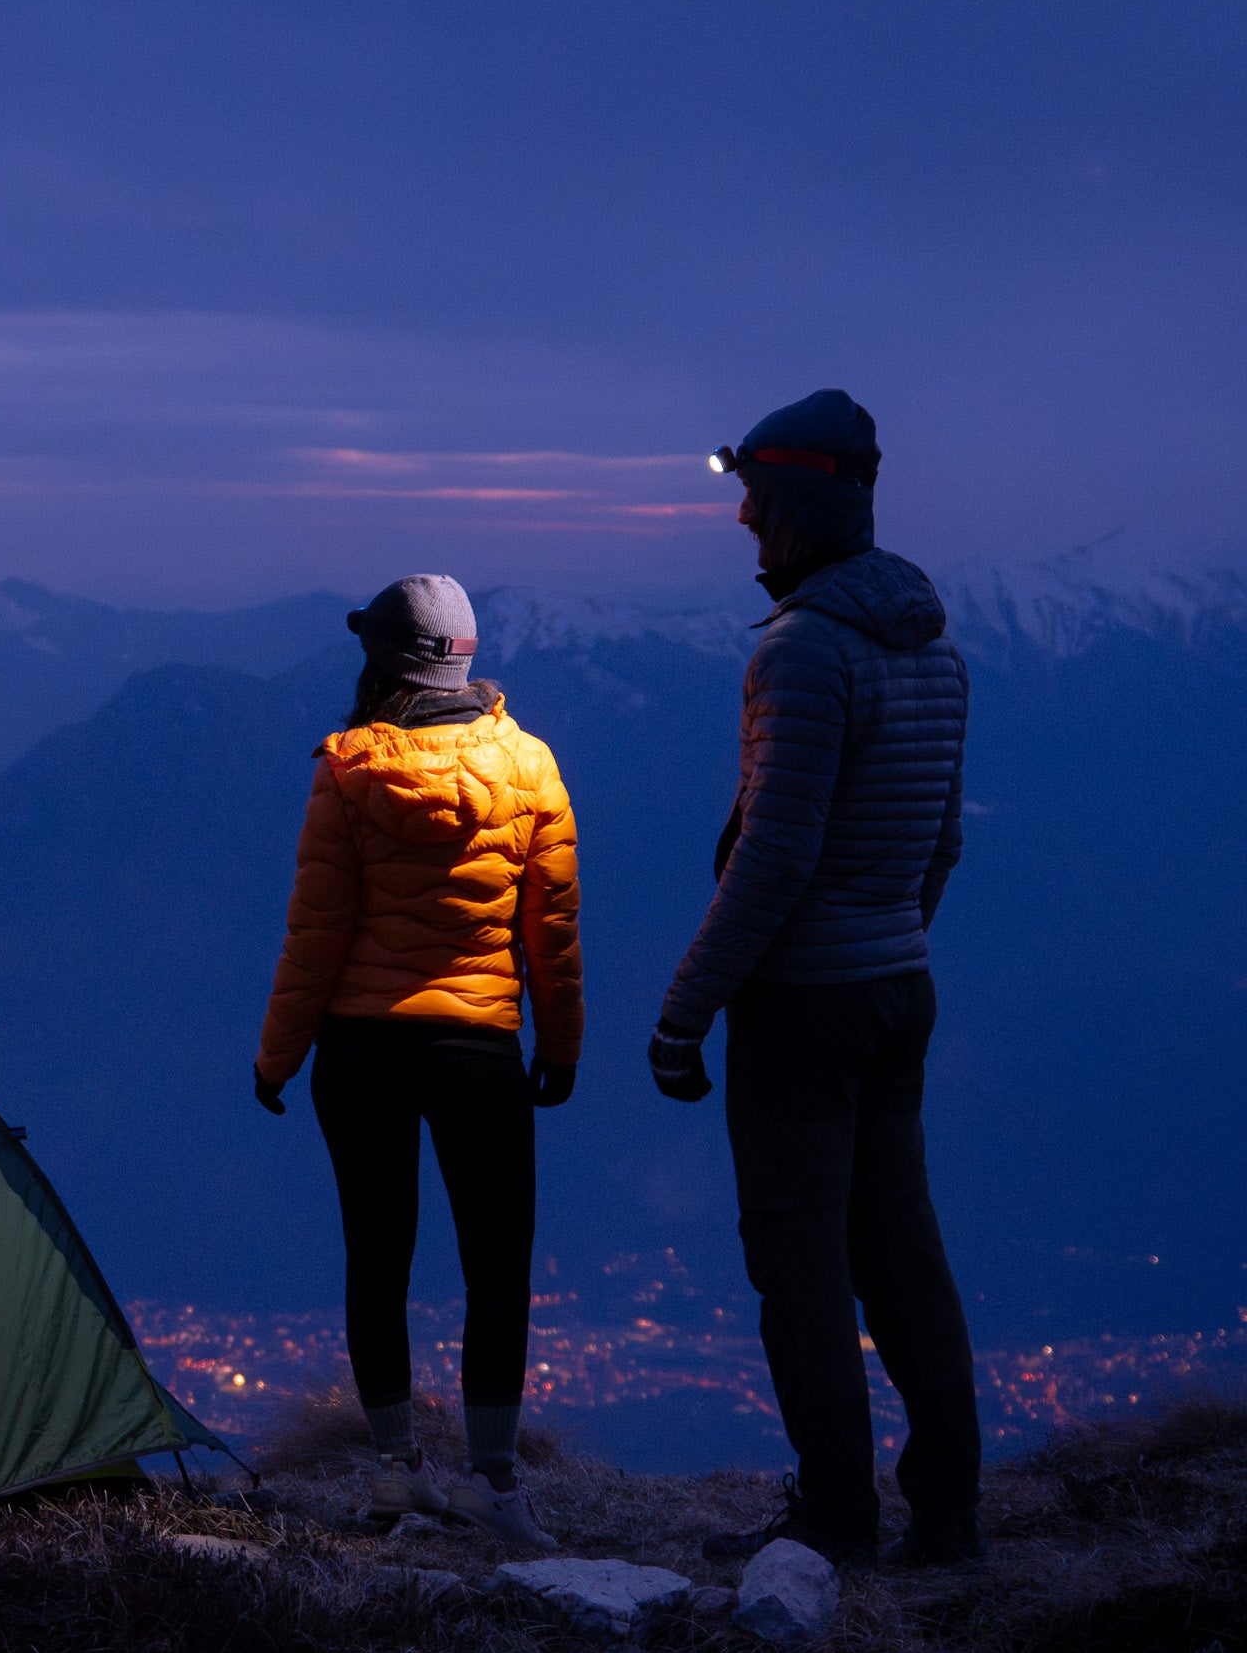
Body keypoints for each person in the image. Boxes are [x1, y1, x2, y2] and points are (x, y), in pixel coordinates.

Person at [649, 389, 981, 1571]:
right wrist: (890, 934)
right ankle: (949, 1515)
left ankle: (835, 1516)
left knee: (801, 1265)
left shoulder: (801, 654)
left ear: (796, 506)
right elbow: (941, 842)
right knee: (902, 1247)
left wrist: (684, 1013)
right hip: (900, 985)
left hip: (802, 1004)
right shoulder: (935, 649)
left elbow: (775, 855)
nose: (742, 520)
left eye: (756, 499)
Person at [253, 575, 582, 1554]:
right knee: (497, 1268)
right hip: (480, 1048)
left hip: (359, 1049)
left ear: (383, 659)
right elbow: (551, 933)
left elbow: (314, 932)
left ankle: (399, 1474)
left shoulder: (349, 768)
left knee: (377, 1258)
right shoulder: (531, 766)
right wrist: (558, 1046)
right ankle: (494, 1483)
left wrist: (277, 1055)